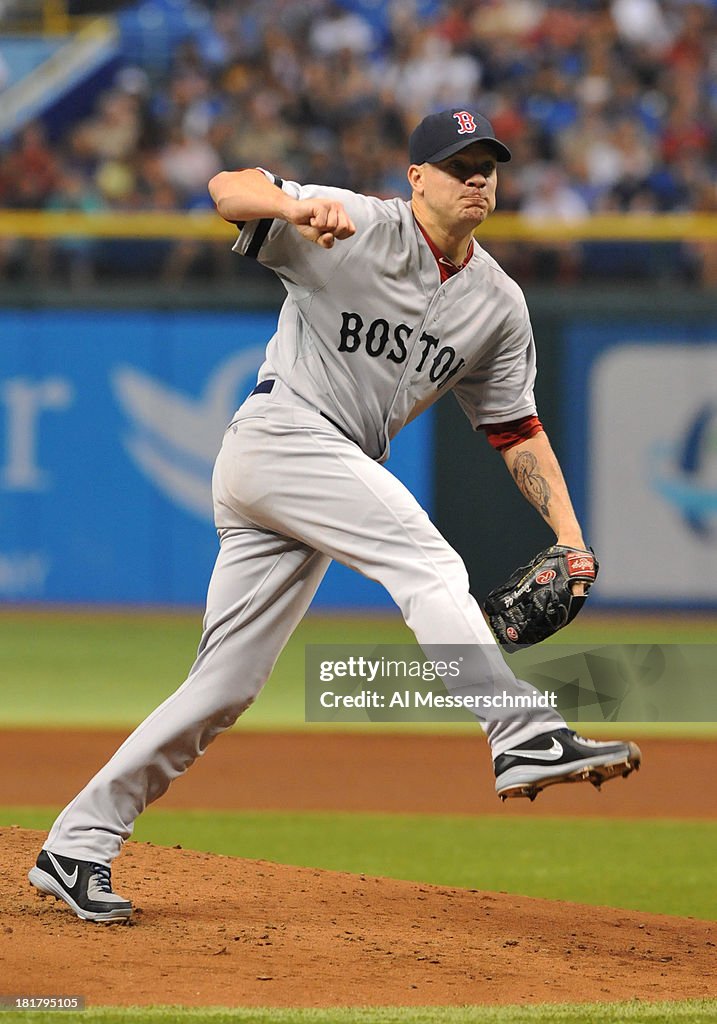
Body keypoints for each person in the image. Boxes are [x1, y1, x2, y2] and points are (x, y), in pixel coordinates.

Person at [29, 108, 640, 923]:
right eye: (458, 163)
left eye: (487, 164)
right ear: (415, 175)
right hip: (282, 435)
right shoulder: (353, 224)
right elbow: (225, 188)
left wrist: (569, 537)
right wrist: (288, 206)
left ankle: (77, 843)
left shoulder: (496, 302)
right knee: (427, 563)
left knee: (224, 686)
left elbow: (515, 429)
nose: (476, 178)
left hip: (321, 468)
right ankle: (519, 733)